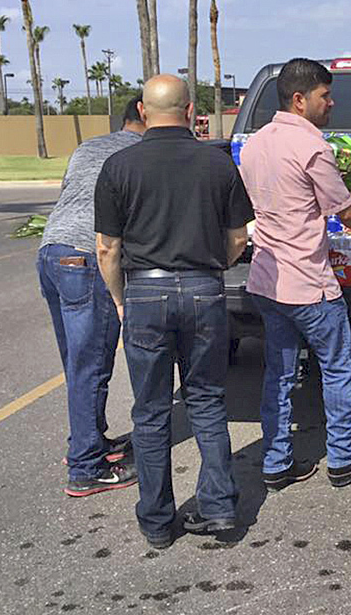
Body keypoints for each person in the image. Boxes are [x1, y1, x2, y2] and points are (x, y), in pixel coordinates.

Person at [94, 75, 253, 550]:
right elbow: (239, 239)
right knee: (206, 401)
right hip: (204, 290)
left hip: (145, 291)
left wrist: (122, 299)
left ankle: (158, 520)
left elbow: (107, 249)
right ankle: (220, 505)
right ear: (190, 112)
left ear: (143, 112)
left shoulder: (119, 166)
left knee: (151, 410)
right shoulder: (218, 164)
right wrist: (210, 269)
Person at [238, 58, 351, 491]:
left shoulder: (254, 145)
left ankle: (276, 463)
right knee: (337, 369)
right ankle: (343, 459)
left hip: (267, 280)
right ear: (300, 100)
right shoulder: (313, 148)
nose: (332, 103)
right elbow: (344, 210)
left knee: (279, 375)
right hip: (309, 284)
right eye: (325, 95)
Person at [37, 95, 145, 497]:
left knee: (77, 362)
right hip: (87, 259)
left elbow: (70, 193)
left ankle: (90, 440)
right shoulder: (141, 152)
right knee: (92, 365)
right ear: (147, 115)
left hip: (52, 253)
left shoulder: (87, 147)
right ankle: (85, 467)